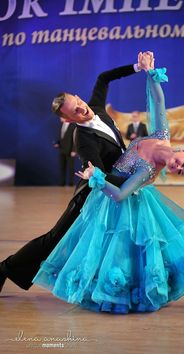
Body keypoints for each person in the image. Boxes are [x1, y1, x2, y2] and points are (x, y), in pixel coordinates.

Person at [32, 54, 184, 314]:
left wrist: (98, 180)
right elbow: (158, 101)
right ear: (183, 151)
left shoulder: (148, 169)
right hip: (120, 192)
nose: (178, 167)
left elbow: (121, 193)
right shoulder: (161, 135)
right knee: (145, 251)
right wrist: (150, 72)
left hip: (124, 197)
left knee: (137, 254)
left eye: (182, 171)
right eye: (182, 162)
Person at [0, 52, 152, 293]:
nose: (83, 109)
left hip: (114, 187)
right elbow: (99, 176)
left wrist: (138, 67)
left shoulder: (97, 109)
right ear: (69, 120)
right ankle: (5, 268)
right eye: (76, 112)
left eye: (79, 103)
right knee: (56, 238)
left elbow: (104, 78)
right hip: (90, 194)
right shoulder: (83, 139)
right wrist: (134, 180)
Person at [53, 118, 77, 186]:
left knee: (71, 167)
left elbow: (75, 138)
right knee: (62, 167)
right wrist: (57, 143)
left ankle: (71, 183)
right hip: (62, 149)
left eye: (62, 117)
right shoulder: (61, 125)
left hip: (70, 150)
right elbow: (61, 136)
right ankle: (62, 182)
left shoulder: (73, 125)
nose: (60, 118)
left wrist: (74, 150)